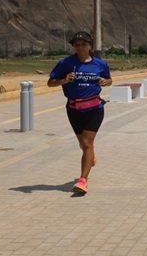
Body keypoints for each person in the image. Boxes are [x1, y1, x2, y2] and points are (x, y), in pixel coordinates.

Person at [47, 31, 112, 196]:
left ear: (90, 45)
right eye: (77, 44)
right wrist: (64, 80)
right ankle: (90, 155)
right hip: (73, 110)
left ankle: (83, 181)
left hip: (94, 108)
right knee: (84, 145)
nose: (80, 47)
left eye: (83, 44)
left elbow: (109, 79)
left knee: (87, 143)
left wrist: (106, 82)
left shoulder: (100, 64)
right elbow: (50, 83)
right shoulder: (65, 63)